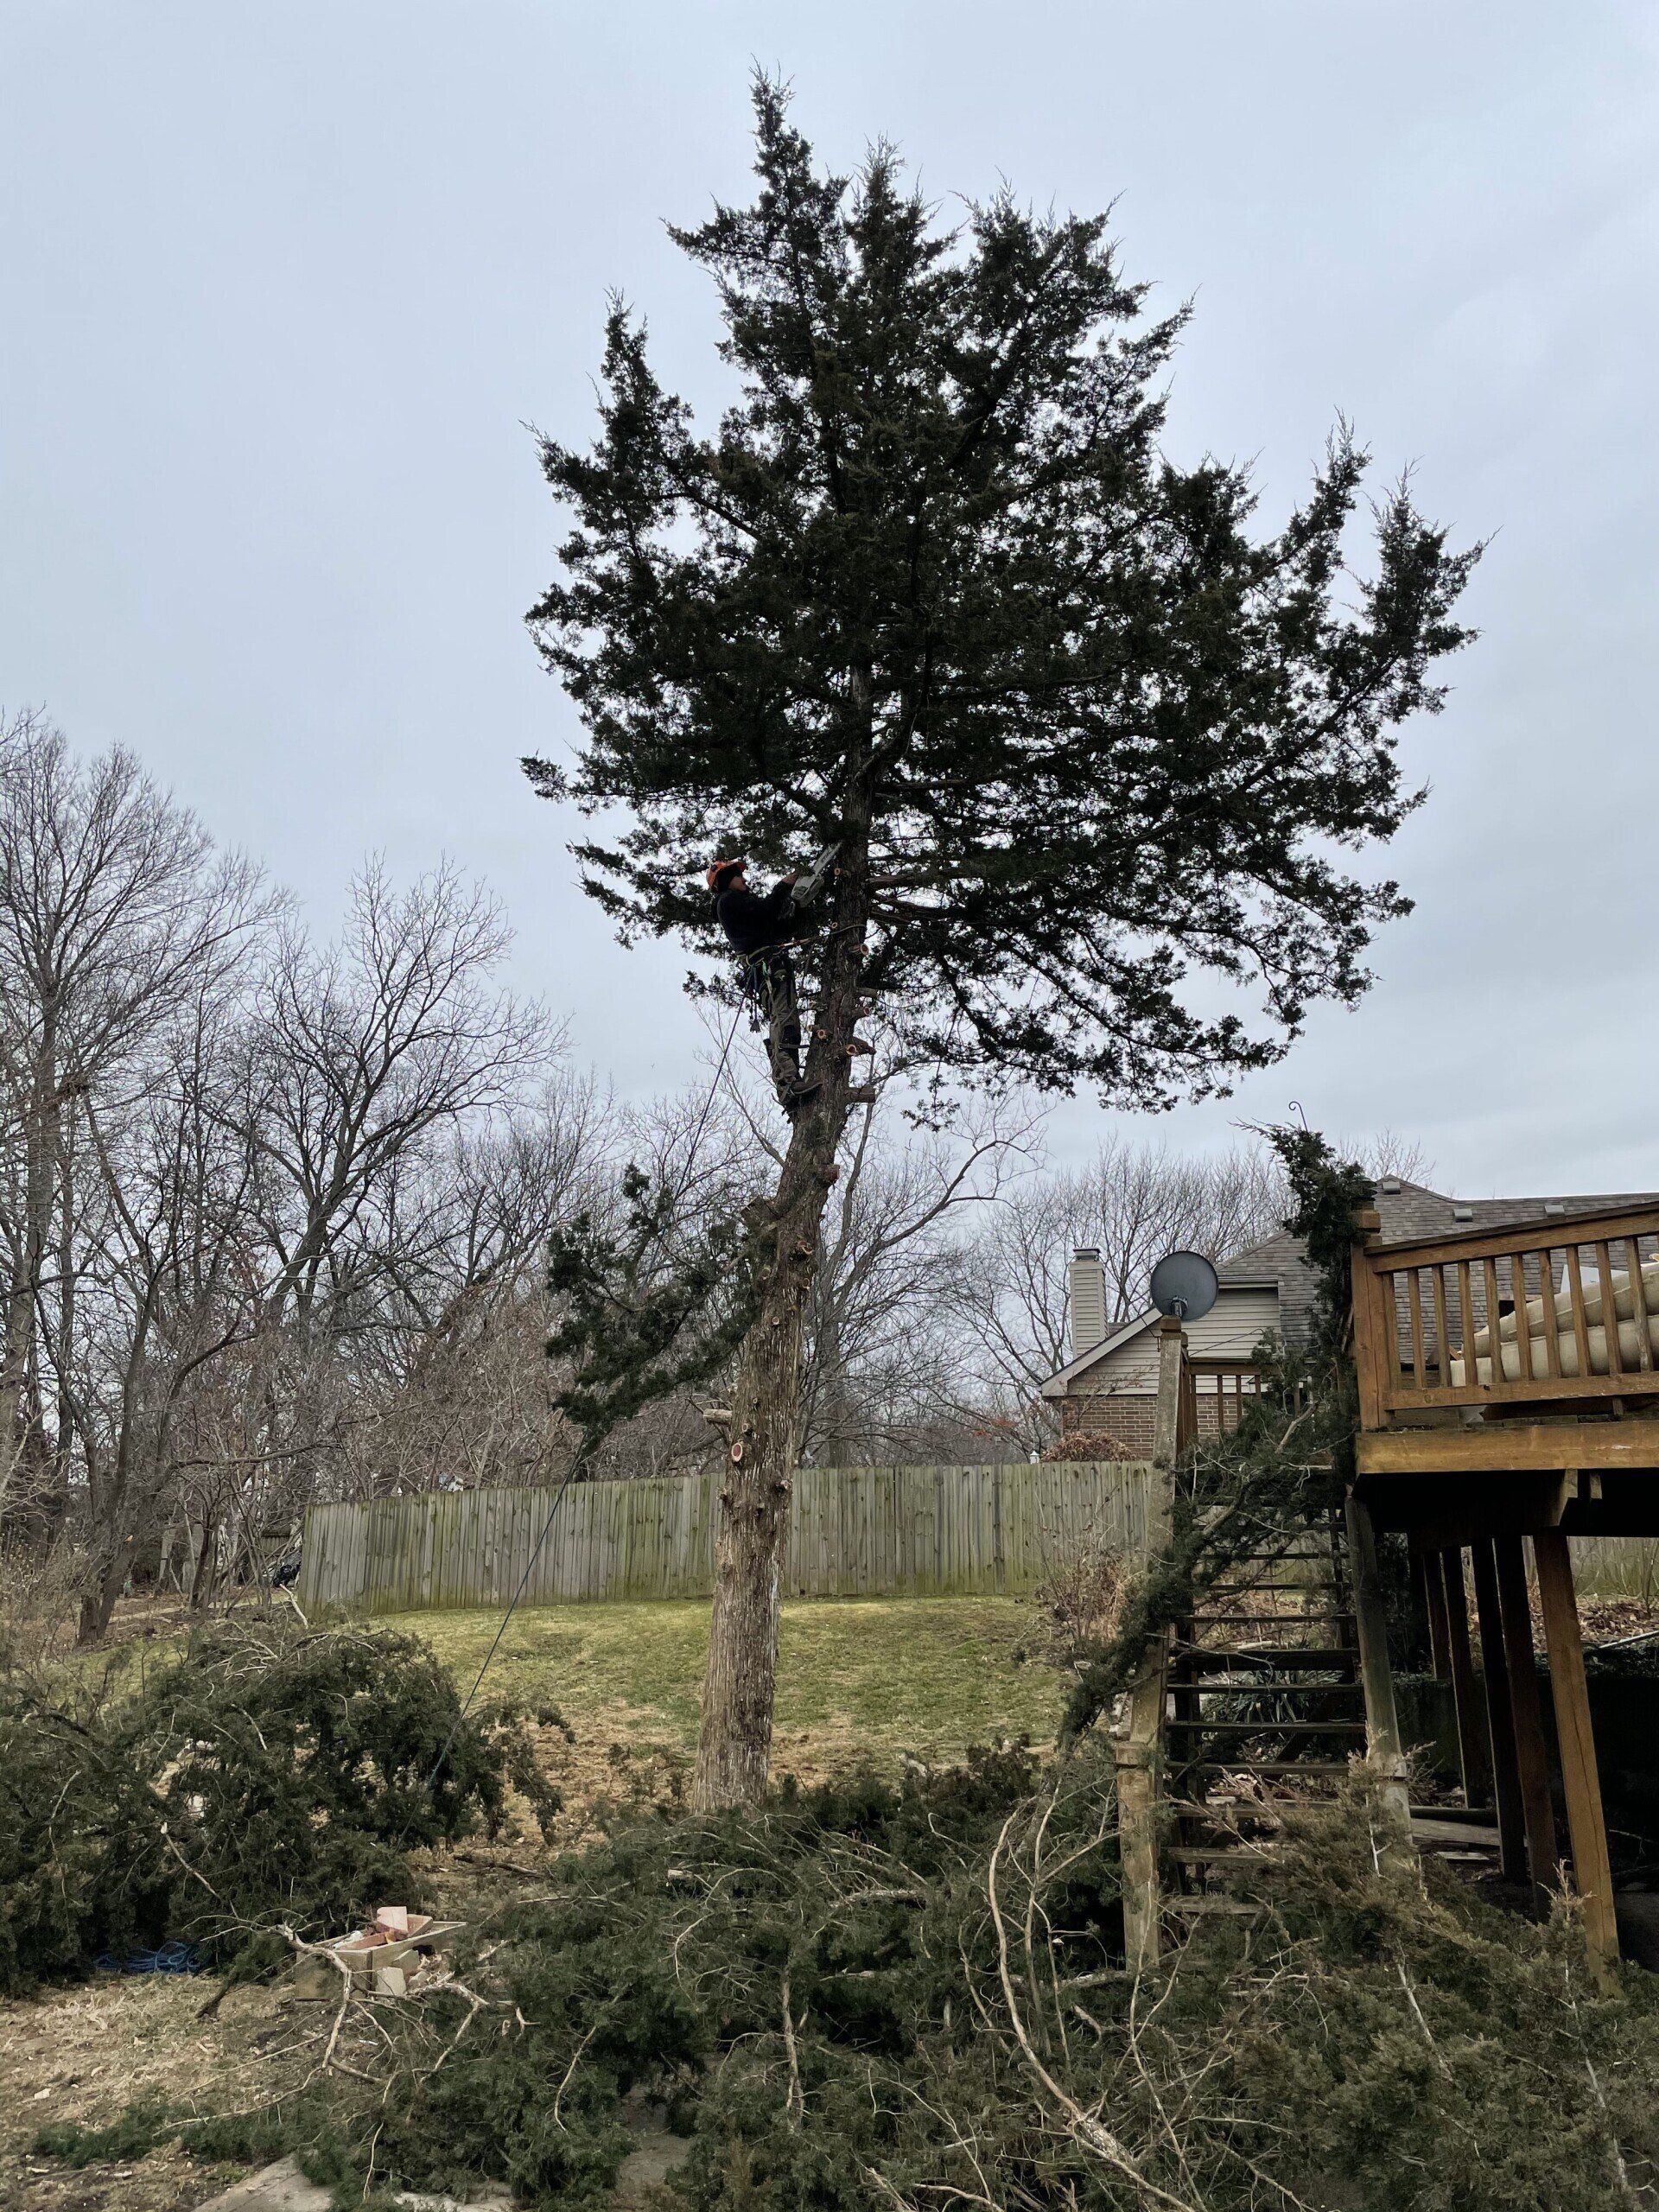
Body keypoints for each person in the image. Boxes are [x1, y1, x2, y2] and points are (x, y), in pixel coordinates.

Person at [708, 855, 815, 1113]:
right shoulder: (729, 901)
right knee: (784, 1018)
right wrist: (783, 885)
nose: (744, 880)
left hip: (770, 964)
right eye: (738, 876)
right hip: (767, 967)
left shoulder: (741, 907)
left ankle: (790, 1086)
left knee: (786, 1018)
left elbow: (776, 927)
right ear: (725, 880)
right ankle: (788, 1082)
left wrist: (798, 907)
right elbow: (767, 910)